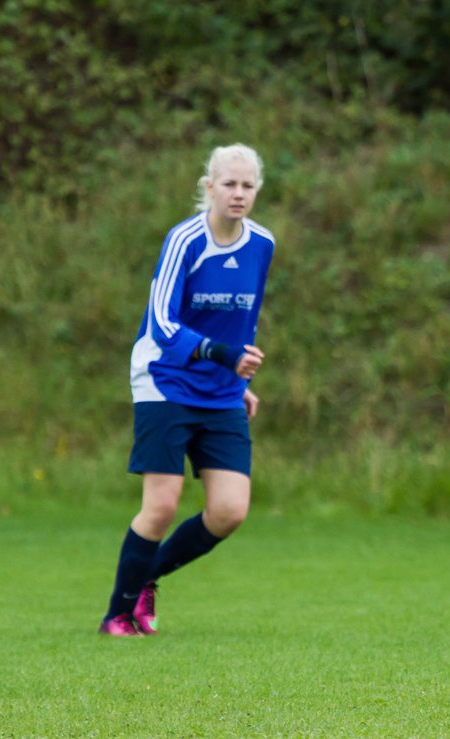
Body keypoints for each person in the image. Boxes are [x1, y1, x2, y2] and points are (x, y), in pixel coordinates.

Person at [99, 143, 276, 636]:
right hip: (164, 379)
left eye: (247, 186)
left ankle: (147, 577)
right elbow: (159, 322)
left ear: (256, 191)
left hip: (221, 389)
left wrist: (239, 378)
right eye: (229, 184)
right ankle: (117, 613)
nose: (238, 194)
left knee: (229, 510)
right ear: (209, 188)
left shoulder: (262, 243)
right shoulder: (185, 240)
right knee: (160, 506)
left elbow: (245, 317)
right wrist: (223, 356)